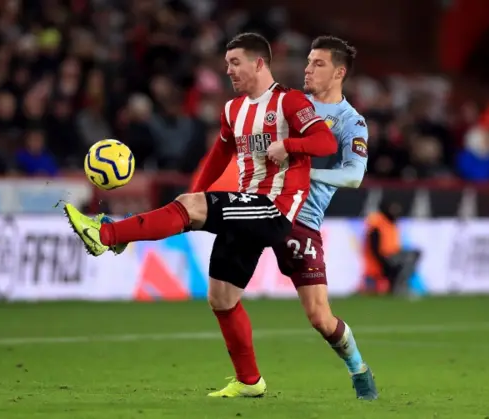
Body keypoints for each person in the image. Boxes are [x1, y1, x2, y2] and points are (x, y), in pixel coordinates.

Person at [62, 32, 337, 397]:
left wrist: (289, 144)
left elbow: (326, 142)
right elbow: (218, 156)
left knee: (191, 212)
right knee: (221, 297)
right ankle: (250, 382)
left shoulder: (290, 103)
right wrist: (196, 191)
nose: (228, 70)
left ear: (258, 63)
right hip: (245, 205)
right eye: (226, 64)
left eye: (235, 63)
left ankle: (106, 235)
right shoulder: (233, 110)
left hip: (274, 208)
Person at [271, 36, 377, 400]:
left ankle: (359, 369)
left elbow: (353, 176)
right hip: (260, 207)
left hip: (301, 222)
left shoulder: (350, 122)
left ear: (339, 72)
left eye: (317, 63)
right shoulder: (290, 104)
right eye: (308, 61)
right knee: (221, 289)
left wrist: (305, 173)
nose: (307, 68)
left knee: (319, 317)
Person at [364, 199, 421, 295]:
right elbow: (374, 248)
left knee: (414, 255)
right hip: (385, 257)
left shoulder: (391, 223)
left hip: (393, 254)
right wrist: (384, 264)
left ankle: (399, 285)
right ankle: (399, 287)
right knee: (409, 258)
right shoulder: (377, 223)